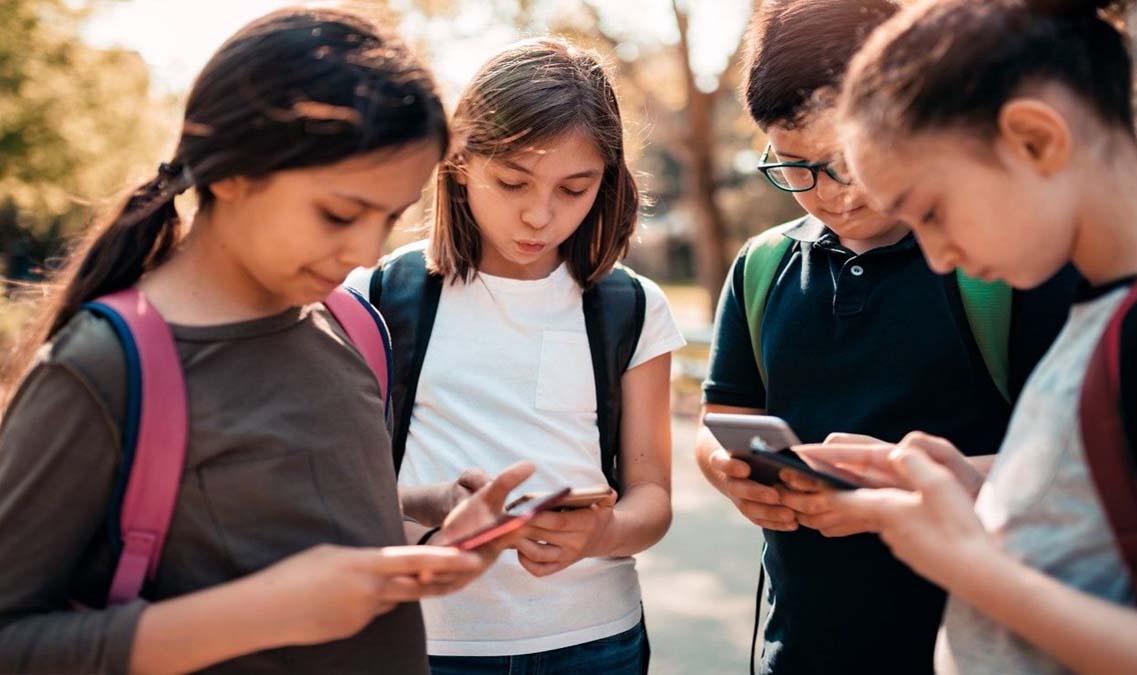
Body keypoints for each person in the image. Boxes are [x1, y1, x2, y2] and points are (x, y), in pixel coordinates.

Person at [0, 8, 531, 673]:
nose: (366, 249)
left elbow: (284, 520)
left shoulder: (352, 324)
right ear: (230, 172)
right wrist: (264, 611)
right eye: (339, 213)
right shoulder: (104, 368)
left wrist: (425, 529)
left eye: (390, 217)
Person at [798, 0, 1137, 672]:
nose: (935, 256)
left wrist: (969, 566)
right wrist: (977, 490)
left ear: (1035, 140)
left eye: (932, 211)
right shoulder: (1104, 309)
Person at [692, 1, 1077, 672]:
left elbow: (1077, 470)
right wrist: (727, 471)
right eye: (795, 167)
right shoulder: (761, 267)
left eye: (846, 160)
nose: (832, 194)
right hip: (797, 650)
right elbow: (723, 414)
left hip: (969, 649)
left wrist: (902, 489)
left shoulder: (996, 262)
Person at [351, 37, 684, 675]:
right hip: (424, 644)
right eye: (512, 182)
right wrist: (432, 511)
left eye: (574, 189)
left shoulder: (633, 307)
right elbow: (337, 490)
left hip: (595, 642)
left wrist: (602, 534)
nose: (539, 214)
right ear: (459, 161)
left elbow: (652, 495)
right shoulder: (374, 298)